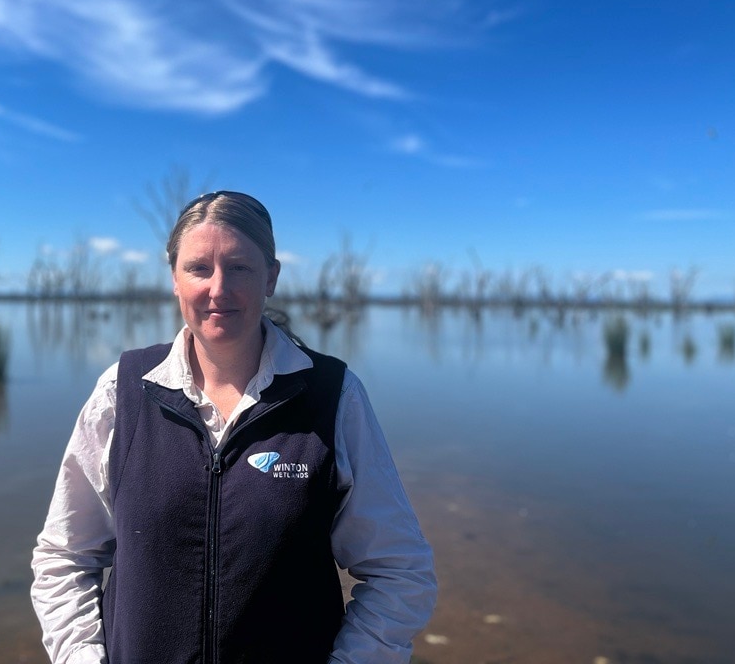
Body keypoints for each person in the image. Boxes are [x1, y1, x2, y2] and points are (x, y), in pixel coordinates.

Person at [31, 191, 436, 664]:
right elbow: (64, 557)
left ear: (272, 277)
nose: (218, 289)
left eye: (240, 267)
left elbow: (400, 571)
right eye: (199, 268)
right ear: (175, 281)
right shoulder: (123, 393)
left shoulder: (332, 396)